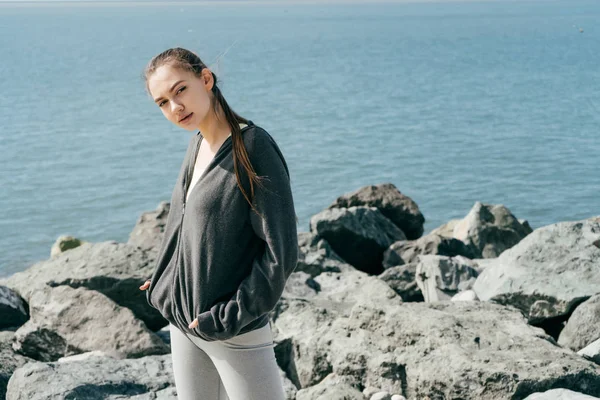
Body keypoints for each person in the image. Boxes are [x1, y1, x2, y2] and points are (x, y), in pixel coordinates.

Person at [138, 47, 299, 400]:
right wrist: (166, 278)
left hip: (234, 333)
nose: (175, 107)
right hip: (185, 327)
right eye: (162, 102)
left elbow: (281, 254)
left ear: (206, 79)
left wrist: (229, 316)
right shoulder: (198, 144)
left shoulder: (255, 148)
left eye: (180, 90)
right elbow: (183, 224)